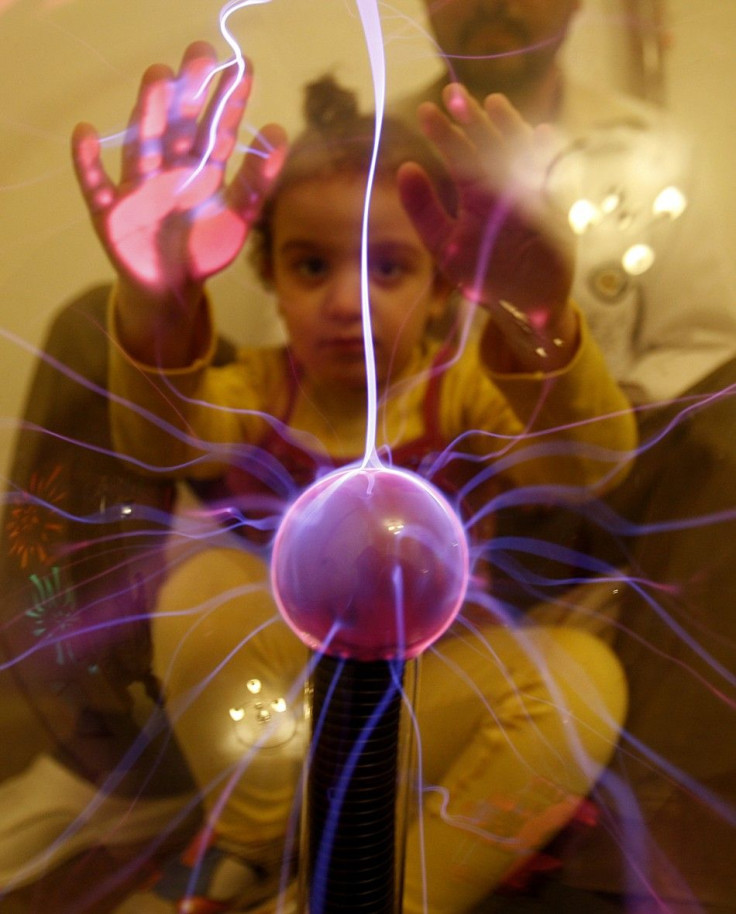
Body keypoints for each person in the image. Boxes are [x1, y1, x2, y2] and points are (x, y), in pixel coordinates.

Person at [59, 39, 638, 914]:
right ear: (267, 278)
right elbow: (160, 442)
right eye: (312, 265)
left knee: (587, 676)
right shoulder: (257, 386)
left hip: (419, 709)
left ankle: (388, 890)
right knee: (200, 583)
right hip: (281, 722)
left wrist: (542, 318)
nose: (347, 301)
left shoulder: (467, 385)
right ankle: (252, 852)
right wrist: (158, 300)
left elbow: (590, 462)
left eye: (390, 267)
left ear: (445, 289)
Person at [397, 3, 736, 911]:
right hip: (409, 497)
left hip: (613, 488)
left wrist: (569, 392)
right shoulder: (362, 154)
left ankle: (632, 858)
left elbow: (704, 352)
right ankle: (93, 755)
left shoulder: (655, 153)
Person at [395, 0, 736, 406]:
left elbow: (698, 346)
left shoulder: (656, 154)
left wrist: (603, 422)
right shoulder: (363, 152)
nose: (490, 3)